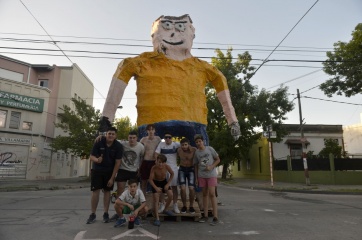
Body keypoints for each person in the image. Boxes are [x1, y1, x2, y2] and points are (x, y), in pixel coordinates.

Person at [99, 14, 240, 147]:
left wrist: (233, 121)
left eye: (180, 27)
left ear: (192, 34)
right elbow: (122, 73)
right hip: (157, 119)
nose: (173, 33)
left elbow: (220, 81)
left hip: (190, 118)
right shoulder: (142, 62)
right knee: (147, 157)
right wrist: (106, 119)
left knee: (200, 154)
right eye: (166, 27)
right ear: (154, 35)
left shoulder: (201, 67)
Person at [86, 127, 123, 224]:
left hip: (109, 172)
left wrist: (112, 178)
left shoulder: (118, 146)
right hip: (97, 170)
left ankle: (105, 214)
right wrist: (96, 160)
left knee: (107, 192)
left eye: (113, 134)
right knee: (95, 191)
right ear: (106, 134)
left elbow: (118, 163)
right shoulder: (99, 141)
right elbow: (91, 156)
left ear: (116, 136)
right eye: (109, 133)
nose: (110, 135)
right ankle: (93, 214)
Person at [110, 130, 145, 222]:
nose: (132, 140)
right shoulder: (123, 144)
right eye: (130, 138)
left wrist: (140, 169)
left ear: (136, 138)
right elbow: (112, 139)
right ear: (127, 138)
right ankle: (119, 213)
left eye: (134, 138)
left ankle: (134, 212)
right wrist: (100, 137)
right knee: (120, 191)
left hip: (134, 171)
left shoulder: (141, 147)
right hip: (123, 169)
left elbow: (142, 158)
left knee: (134, 192)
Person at [193, 134, 220, 226]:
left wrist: (212, 166)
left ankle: (215, 216)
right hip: (201, 175)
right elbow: (196, 165)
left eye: (199, 141)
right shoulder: (197, 153)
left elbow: (217, 159)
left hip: (211, 175)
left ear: (203, 141)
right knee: (204, 194)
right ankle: (205, 215)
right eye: (196, 142)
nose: (198, 143)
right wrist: (196, 178)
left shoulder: (210, 149)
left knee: (212, 194)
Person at [155, 132, 181, 214]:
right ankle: (162, 204)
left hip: (173, 168)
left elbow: (186, 147)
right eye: (166, 137)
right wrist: (156, 162)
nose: (167, 139)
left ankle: (175, 204)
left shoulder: (176, 144)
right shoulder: (161, 144)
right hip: (163, 168)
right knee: (162, 187)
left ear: (172, 138)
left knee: (174, 187)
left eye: (169, 137)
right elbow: (156, 153)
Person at [149, 154, 175, 226]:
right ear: (156, 161)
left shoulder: (166, 166)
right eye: (159, 162)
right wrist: (156, 188)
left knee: (170, 195)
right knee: (156, 199)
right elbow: (150, 180)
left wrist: (168, 184)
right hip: (156, 182)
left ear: (165, 163)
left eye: (162, 162)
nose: (160, 164)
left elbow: (172, 174)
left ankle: (165, 209)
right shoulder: (154, 168)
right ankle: (157, 218)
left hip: (164, 182)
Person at [139, 124, 161, 194]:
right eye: (149, 130)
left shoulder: (158, 139)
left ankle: (156, 200)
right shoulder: (143, 139)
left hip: (154, 162)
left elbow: (161, 149)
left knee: (155, 181)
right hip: (145, 161)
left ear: (154, 131)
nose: (151, 131)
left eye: (152, 129)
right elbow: (140, 152)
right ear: (147, 131)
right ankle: (143, 199)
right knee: (144, 181)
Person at [177, 138, 197, 214]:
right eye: (182, 145)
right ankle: (184, 206)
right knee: (182, 188)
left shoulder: (194, 150)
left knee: (191, 188)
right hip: (182, 169)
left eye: (186, 145)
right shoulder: (179, 150)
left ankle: (191, 206)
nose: (184, 146)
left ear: (188, 144)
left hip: (191, 169)